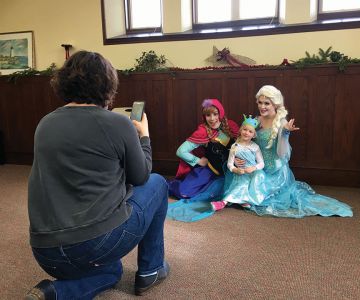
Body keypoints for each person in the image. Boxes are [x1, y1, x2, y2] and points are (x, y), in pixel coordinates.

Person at [25, 51, 169, 300]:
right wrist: (144, 136)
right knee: (158, 183)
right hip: (93, 245)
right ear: (108, 84)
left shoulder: (45, 123)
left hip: (46, 253)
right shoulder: (118, 123)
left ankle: (55, 292)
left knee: (112, 271)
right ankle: (151, 269)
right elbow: (141, 176)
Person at [236, 85, 353, 218]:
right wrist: (240, 157)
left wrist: (285, 133)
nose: (262, 106)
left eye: (267, 103)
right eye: (260, 102)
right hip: (258, 166)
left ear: (275, 104)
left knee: (259, 194)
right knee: (240, 178)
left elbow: (282, 154)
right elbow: (246, 142)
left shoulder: (281, 122)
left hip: (275, 171)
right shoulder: (256, 120)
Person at [168, 98, 239, 200]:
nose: (212, 118)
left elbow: (242, 144)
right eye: (208, 115)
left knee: (233, 194)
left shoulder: (230, 126)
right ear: (204, 116)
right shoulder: (202, 132)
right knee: (183, 192)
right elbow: (180, 151)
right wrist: (198, 161)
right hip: (211, 170)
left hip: (230, 171)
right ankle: (166, 185)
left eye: (215, 114)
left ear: (221, 113)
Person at [211, 115, 267, 211]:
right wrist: (235, 169)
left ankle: (238, 201)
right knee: (240, 182)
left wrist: (254, 168)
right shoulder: (235, 146)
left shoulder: (255, 147)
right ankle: (225, 202)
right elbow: (229, 164)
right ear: (240, 130)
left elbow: (262, 163)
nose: (246, 133)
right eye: (245, 130)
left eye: (250, 131)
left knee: (251, 181)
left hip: (252, 173)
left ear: (254, 135)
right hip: (240, 173)